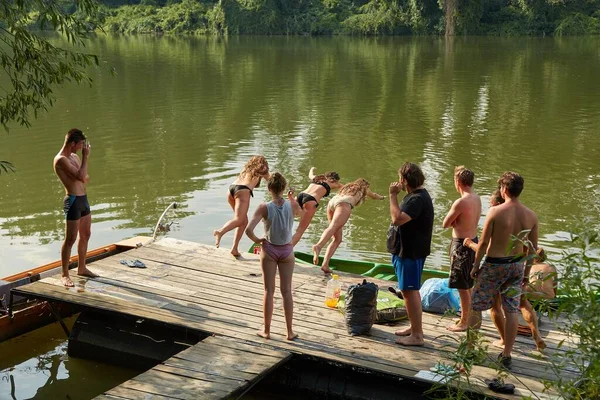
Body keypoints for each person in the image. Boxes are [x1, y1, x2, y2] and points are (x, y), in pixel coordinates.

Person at [469, 171, 538, 369]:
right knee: (512, 310)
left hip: (495, 265)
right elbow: (532, 250)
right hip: (516, 266)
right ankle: (506, 354)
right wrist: (526, 274)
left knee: (476, 306)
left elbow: (482, 244)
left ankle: (471, 348)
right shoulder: (531, 215)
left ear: (504, 189)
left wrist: (475, 266)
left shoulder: (495, 212)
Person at [245, 172, 301, 340]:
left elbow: (248, 230)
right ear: (284, 188)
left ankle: (267, 331)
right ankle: (289, 332)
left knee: (269, 291)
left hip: (269, 250)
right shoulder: (291, 205)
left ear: (269, 188)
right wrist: (291, 198)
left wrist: (258, 240)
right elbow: (299, 213)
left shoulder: (264, 207)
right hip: (287, 251)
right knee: (287, 291)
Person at [389, 162, 434, 347]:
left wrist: (392, 196)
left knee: (409, 291)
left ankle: (417, 335)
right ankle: (414, 327)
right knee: (409, 291)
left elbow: (397, 219)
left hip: (410, 253)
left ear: (404, 180)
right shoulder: (415, 196)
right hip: (408, 251)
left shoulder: (416, 199)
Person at [290, 168, 384, 245]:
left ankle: (278, 241)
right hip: (311, 200)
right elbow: (348, 188)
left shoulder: (317, 179)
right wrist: (381, 197)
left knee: (286, 217)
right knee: (300, 231)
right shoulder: (336, 184)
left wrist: (312, 169)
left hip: (300, 195)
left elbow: (310, 175)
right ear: (336, 180)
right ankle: (286, 252)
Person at [53, 128, 98, 287]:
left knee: (86, 234)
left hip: (83, 199)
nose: (82, 148)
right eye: (80, 145)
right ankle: (64, 274)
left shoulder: (73, 157)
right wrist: (86, 157)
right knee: (70, 238)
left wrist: (81, 171)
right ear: (72, 144)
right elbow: (81, 176)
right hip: (72, 201)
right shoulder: (61, 160)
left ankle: (82, 267)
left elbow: (84, 177)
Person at [442, 166, 482, 332]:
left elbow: (445, 223)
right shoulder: (477, 198)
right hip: (473, 241)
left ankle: (465, 321)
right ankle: (471, 317)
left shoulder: (461, 202)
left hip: (461, 245)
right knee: (468, 283)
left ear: (458, 182)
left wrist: (455, 222)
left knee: (462, 286)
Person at [311, 178, 373, 274]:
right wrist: (383, 197)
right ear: (365, 186)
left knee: (337, 239)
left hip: (332, 203)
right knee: (333, 227)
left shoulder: (347, 187)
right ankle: (318, 246)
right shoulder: (361, 190)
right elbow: (374, 195)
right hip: (344, 204)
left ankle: (325, 265)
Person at [213, 155, 270, 257]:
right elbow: (271, 180)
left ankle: (234, 249)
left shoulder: (247, 169)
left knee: (243, 221)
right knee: (239, 220)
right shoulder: (262, 168)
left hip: (231, 189)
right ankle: (220, 232)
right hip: (243, 191)